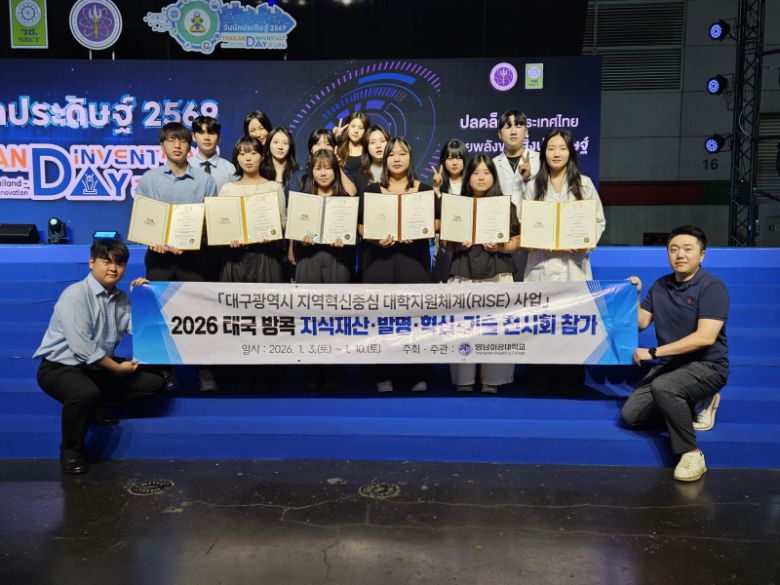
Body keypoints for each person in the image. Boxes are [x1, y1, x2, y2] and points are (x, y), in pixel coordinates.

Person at [33, 239, 165, 474]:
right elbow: (82, 348)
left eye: (119, 264)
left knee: (154, 381)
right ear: (91, 263)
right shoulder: (75, 294)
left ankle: (96, 404)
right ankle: (71, 450)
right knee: (84, 392)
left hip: (96, 368)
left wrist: (144, 298)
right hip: (60, 367)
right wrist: (117, 369)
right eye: (107, 262)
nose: (113, 269)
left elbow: (141, 330)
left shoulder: (122, 299)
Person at [622, 225, 729, 482]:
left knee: (664, 387)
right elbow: (641, 323)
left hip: (707, 366)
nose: (680, 254)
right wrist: (635, 295)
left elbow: (705, 337)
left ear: (702, 255)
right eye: (673, 249)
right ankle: (694, 401)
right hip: (671, 367)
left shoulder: (712, 286)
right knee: (631, 416)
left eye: (688, 249)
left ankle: (691, 453)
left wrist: (654, 352)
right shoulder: (661, 285)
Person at [136, 122, 219, 391]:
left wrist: (194, 239)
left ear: (189, 144)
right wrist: (153, 240)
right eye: (171, 140)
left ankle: (204, 369)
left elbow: (211, 221)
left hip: (195, 259)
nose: (177, 145)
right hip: (159, 258)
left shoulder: (205, 181)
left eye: (182, 140)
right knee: (161, 314)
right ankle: (164, 371)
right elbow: (143, 221)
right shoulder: (149, 180)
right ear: (162, 145)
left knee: (200, 314)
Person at [523, 129, 606, 393]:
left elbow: (598, 221)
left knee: (571, 323)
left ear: (570, 152)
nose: (556, 153)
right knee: (541, 324)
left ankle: (569, 380)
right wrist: (536, 239)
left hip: (573, 265)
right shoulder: (533, 185)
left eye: (562, 148)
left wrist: (583, 242)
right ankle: (539, 379)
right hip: (542, 264)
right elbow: (524, 222)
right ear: (543, 153)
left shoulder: (584, 184)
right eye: (551, 148)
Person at [359, 137, 438, 393]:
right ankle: (383, 374)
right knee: (381, 318)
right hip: (378, 260)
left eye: (402, 153)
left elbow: (438, 221)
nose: (396, 158)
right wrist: (375, 237)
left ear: (410, 158)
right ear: (385, 159)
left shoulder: (424, 190)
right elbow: (360, 225)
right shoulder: (372, 191)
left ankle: (416, 375)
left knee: (415, 318)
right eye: (391, 154)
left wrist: (421, 229)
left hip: (414, 260)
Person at [446, 155, 521, 394]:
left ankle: (493, 379)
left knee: (496, 327)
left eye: (486, 173)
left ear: (494, 177)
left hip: (497, 269)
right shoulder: (457, 205)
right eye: (476, 173)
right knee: (462, 327)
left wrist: (501, 247)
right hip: (464, 269)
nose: (481, 178)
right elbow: (445, 241)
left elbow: (517, 239)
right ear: (468, 177)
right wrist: (457, 244)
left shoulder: (505, 206)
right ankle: (464, 379)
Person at [292, 149, 355, 390]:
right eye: (318, 168)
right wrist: (301, 239)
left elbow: (352, 237)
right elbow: (294, 234)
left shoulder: (345, 201)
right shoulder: (303, 199)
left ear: (336, 171)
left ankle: (333, 371)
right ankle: (311, 371)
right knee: (309, 317)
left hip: (337, 261)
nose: (323, 173)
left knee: (335, 318)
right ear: (311, 172)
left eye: (328, 168)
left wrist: (344, 239)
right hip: (308, 260)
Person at [219, 136, 287, 284]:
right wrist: (227, 237)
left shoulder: (274, 187)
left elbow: (283, 222)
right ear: (236, 158)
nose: (248, 158)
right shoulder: (227, 189)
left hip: (266, 256)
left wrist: (272, 232)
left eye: (253, 153)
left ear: (262, 156)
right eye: (242, 154)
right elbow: (222, 224)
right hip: (234, 257)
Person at [493, 110, 540, 281]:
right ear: (500, 134)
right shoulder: (492, 165)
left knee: (531, 290)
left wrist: (528, 179)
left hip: (534, 235)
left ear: (526, 132)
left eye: (518, 126)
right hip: (502, 237)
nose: (513, 131)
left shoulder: (541, 161)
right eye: (507, 127)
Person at [431, 139, 467, 282]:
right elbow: (432, 215)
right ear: (443, 161)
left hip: (466, 245)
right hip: (444, 247)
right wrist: (436, 188)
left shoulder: (471, 184)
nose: (454, 162)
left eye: (458, 158)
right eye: (450, 158)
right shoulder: (439, 185)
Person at [192, 115, 237, 192]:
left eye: (211, 133)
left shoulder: (230, 169)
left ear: (219, 138)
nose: (206, 137)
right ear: (193, 136)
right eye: (201, 133)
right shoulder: (184, 167)